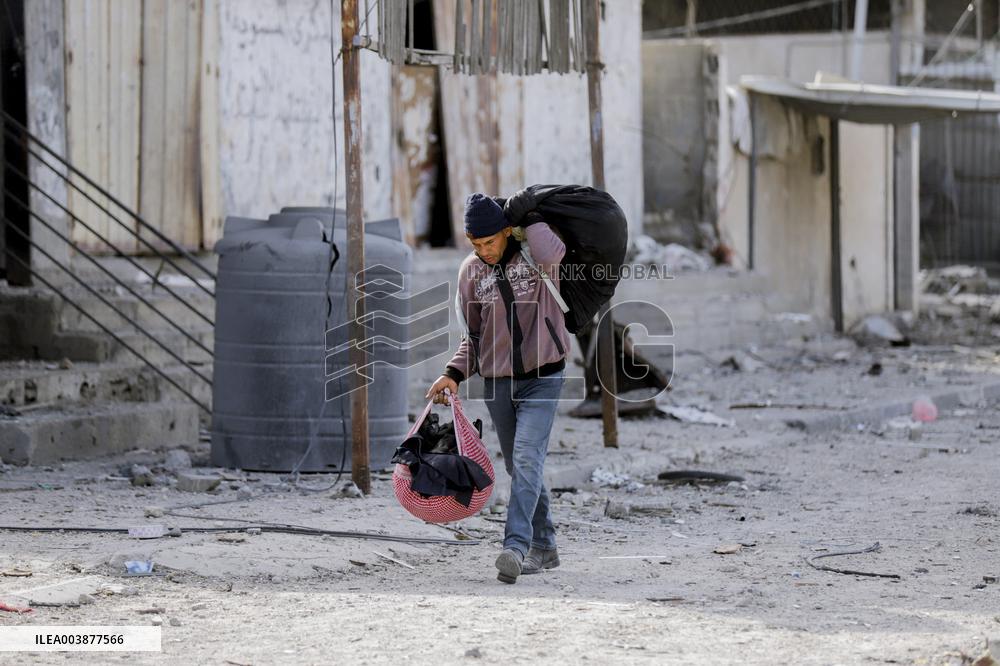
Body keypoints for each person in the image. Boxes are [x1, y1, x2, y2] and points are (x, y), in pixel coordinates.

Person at [426, 192, 571, 584]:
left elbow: (550, 248)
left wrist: (527, 208)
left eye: (490, 242)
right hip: (497, 385)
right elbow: (473, 337)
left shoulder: (536, 257)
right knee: (519, 465)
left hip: (544, 378)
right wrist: (452, 374)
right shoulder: (470, 273)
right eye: (476, 244)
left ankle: (516, 547)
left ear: (507, 232)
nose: (484, 251)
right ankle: (546, 546)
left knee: (526, 459)